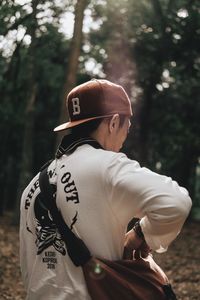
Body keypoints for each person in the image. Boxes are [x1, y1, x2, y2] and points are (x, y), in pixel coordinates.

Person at [20, 79, 192, 300]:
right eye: (126, 128)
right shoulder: (108, 167)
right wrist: (141, 233)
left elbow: (27, 268)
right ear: (113, 123)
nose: (124, 138)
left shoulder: (33, 186)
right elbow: (176, 202)